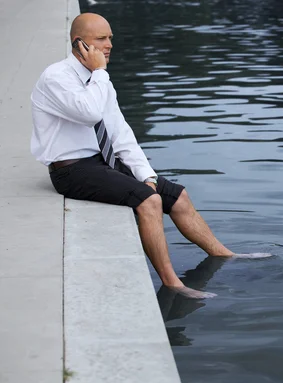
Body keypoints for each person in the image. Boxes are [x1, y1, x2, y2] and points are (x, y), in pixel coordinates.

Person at [31, 13, 270, 299]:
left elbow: (120, 133)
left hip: (102, 162)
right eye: (101, 39)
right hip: (70, 170)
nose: (109, 45)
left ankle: (225, 254)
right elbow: (89, 113)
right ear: (79, 43)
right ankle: (173, 283)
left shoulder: (98, 80)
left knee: (176, 195)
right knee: (149, 201)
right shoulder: (57, 77)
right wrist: (100, 72)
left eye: (110, 38)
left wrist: (147, 175)